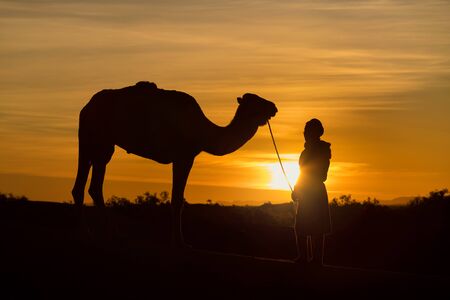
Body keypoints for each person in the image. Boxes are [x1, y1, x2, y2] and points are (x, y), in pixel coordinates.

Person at [291, 118, 331, 267]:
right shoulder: (306, 152)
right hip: (307, 192)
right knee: (301, 227)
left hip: (314, 192)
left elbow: (322, 175)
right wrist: (297, 189)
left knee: (316, 229)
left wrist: (300, 188)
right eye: (305, 131)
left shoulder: (322, 150)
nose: (306, 134)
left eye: (308, 131)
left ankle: (316, 261)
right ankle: (304, 258)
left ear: (316, 133)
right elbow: (301, 173)